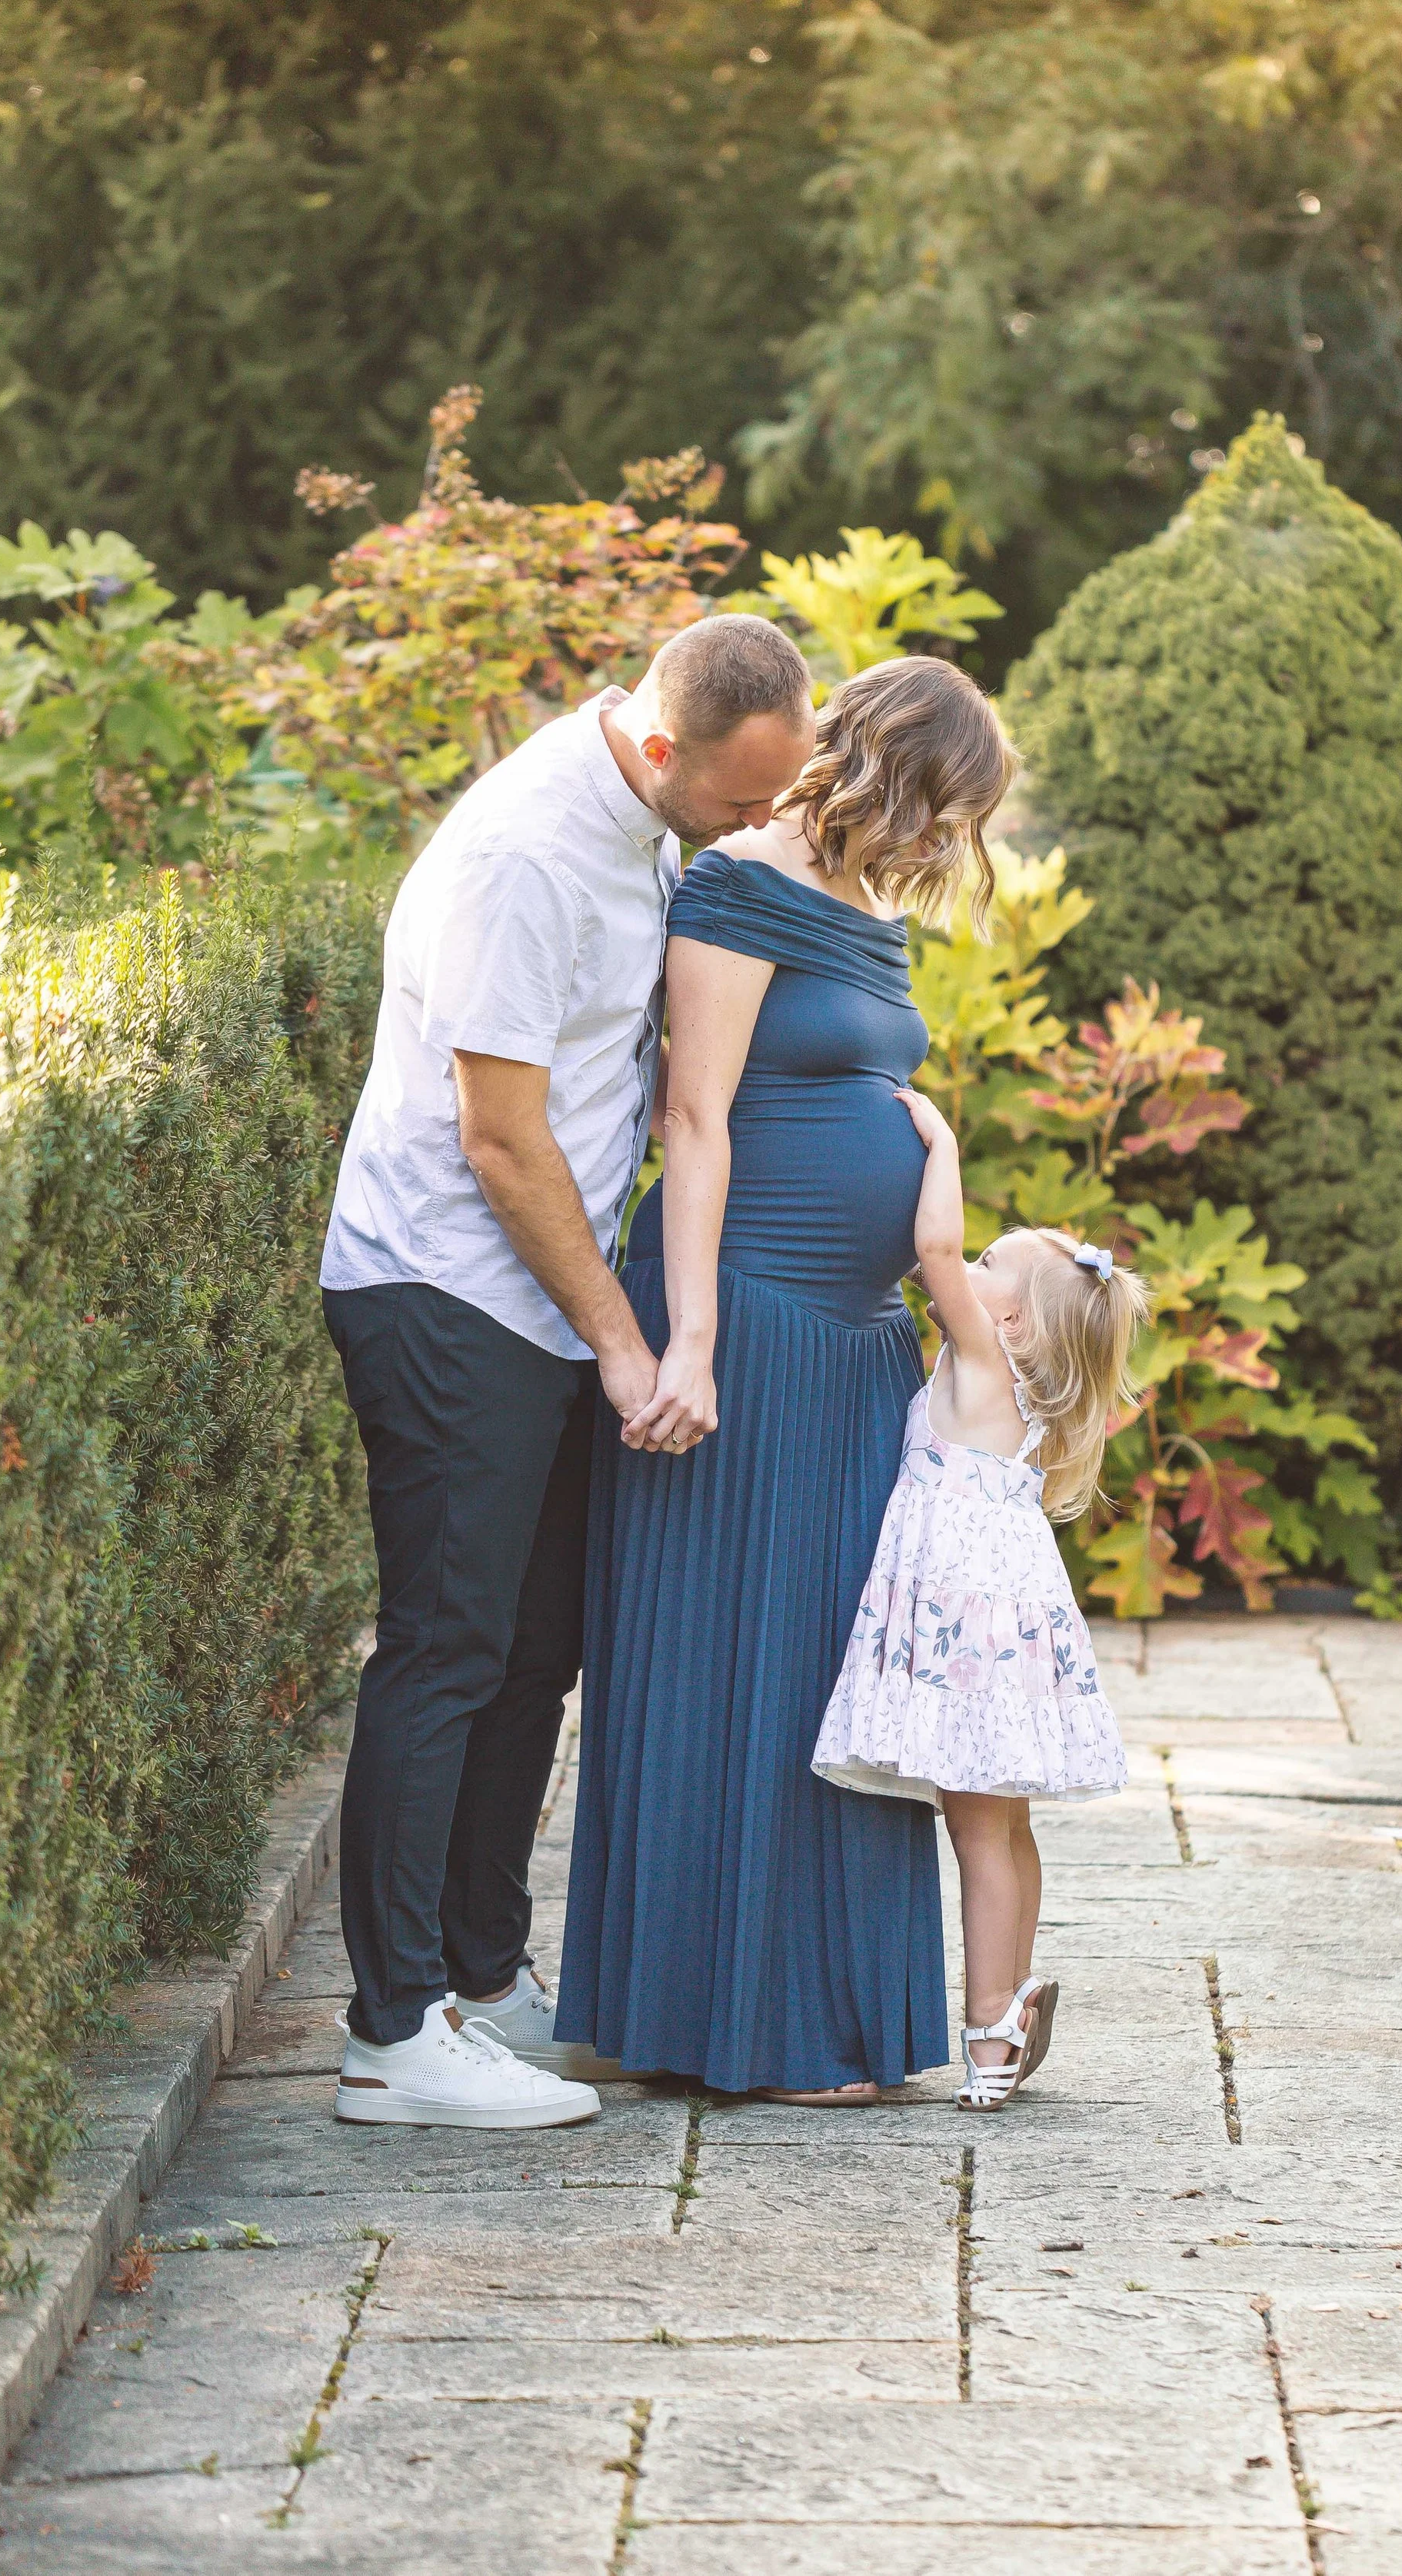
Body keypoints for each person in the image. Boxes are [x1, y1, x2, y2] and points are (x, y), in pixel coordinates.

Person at [321, 614, 814, 2130]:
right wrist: (624, 1339)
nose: (752, 826)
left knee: (535, 1647)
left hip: (532, 1304)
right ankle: (390, 2037)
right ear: (661, 749)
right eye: (739, 800)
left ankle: (479, 1980)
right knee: (446, 1646)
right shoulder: (526, 858)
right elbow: (499, 1136)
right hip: (447, 1294)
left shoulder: (652, 817)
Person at [557, 655, 1016, 2102]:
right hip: (748, 1320)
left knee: (842, 1670)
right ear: (887, 768)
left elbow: (851, 1083)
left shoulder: (866, 904)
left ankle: (822, 2015)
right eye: (944, 809)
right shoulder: (740, 883)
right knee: (742, 1671)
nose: (950, 844)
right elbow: (694, 1118)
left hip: (854, 1335)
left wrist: (924, 1149)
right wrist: (688, 1341)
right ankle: (750, 2030)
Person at [812, 1087, 1144, 2111]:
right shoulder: (1026, 1392)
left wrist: (942, 1135)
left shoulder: (983, 1358)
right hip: (1010, 1621)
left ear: (1007, 1316)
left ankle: (991, 2024)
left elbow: (932, 1249)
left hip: (964, 1631)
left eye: (997, 1266)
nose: (975, 1270)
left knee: (973, 1830)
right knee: (1007, 1826)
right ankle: (1008, 1998)